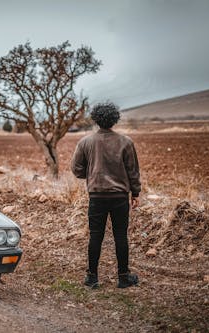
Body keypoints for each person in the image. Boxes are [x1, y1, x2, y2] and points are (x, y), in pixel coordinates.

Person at [71, 102, 141, 289]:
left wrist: (92, 174)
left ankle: (92, 278)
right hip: (119, 197)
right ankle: (123, 277)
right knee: (120, 236)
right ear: (114, 119)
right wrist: (135, 193)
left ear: (96, 119)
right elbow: (133, 171)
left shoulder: (85, 142)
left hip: (96, 197)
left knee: (95, 236)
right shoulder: (126, 142)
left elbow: (76, 169)